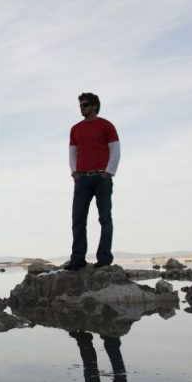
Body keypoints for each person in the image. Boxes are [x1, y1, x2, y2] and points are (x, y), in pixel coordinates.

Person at [68, 92, 120, 270]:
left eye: (85, 105)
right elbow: (72, 152)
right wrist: (74, 172)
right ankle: (77, 260)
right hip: (82, 179)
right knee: (78, 219)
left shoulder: (106, 125)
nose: (82, 108)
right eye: (80, 105)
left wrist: (109, 172)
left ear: (95, 106)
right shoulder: (75, 129)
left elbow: (115, 150)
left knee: (105, 219)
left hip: (101, 179)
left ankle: (104, 258)